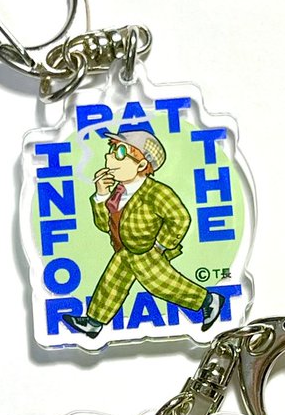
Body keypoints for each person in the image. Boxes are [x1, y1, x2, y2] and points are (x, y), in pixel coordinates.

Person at [61, 130, 224, 339]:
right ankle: (93, 322)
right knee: (112, 283)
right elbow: (104, 225)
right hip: (125, 250)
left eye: (120, 152)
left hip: (145, 251)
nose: (109, 156)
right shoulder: (117, 192)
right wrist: (101, 195)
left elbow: (180, 218)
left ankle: (209, 301)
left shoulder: (156, 192)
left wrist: (161, 244)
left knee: (163, 285)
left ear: (141, 165)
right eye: (112, 149)